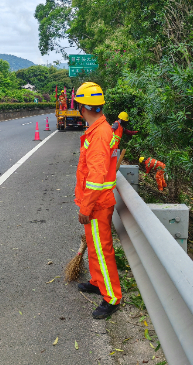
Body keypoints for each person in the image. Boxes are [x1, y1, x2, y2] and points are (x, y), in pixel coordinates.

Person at [73, 82, 123, 319]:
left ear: (82, 107)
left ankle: (112, 297)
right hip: (96, 201)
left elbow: (96, 177)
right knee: (94, 247)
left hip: (97, 204)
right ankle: (97, 281)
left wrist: (86, 207)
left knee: (102, 250)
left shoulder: (99, 134)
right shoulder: (99, 129)